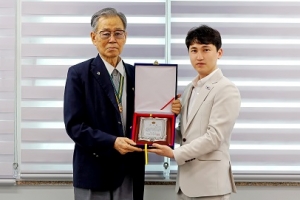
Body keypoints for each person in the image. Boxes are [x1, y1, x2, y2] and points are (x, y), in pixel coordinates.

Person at [63, 7, 181, 200]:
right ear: (93, 37)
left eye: (118, 33)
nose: (112, 39)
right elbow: (74, 126)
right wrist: (112, 142)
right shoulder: (79, 74)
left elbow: (151, 115)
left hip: (130, 170)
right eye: (105, 33)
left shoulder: (138, 75)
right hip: (94, 172)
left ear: (125, 36)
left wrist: (170, 111)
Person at [149, 25, 241, 200]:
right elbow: (185, 134)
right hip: (186, 184)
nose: (199, 56)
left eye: (206, 49)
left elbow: (214, 137)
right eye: (194, 50)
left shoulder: (226, 89)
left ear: (219, 53)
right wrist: (157, 132)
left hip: (210, 186)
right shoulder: (190, 89)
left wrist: (174, 154)